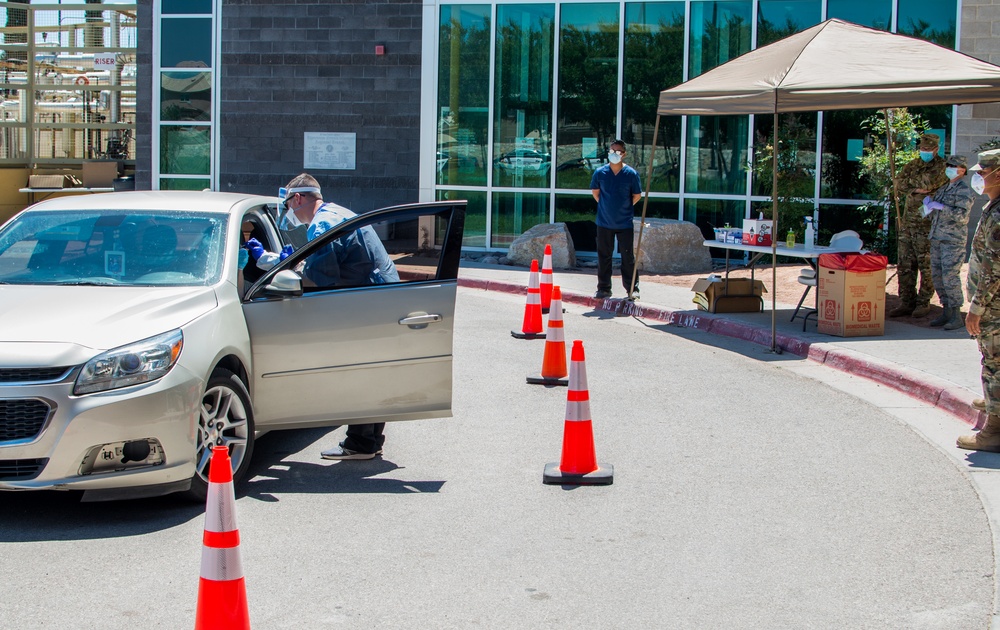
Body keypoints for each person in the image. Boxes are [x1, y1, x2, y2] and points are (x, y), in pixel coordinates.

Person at [280, 173, 400, 460]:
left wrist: (280, 268)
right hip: (382, 301)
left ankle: (359, 443)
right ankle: (368, 441)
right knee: (370, 373)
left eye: (288, 204)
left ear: (297, 198)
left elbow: (320, 277)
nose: (289, 213)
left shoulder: (323, 224)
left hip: (364, 306)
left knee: (357, 373)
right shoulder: (339, 212)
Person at [957, 148, 1000, 452]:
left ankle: (993, 432)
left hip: (994, 306)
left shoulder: (998, 214)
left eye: (983, 173)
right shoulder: (994, 207)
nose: (979, 178)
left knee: (995, 363)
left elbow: (994, 267)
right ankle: (994, 401)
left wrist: (978, 306)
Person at [889, 133, 949, 318]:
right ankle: (906, 301)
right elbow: (898, 182)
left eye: (928, 150)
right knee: (905, 264)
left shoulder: (942, 166)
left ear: (936, 150)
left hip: (926, 224)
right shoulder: (913, 165)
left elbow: (930, 182)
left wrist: (912, 186)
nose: (925, 152)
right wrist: (917, 189)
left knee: (926, 264)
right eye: (922, 149)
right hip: (908, 223)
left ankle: (923, 302)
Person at [927, 154, 977, 330]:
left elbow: (962, 217)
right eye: (947, 165)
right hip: (937, 238)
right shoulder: (943, 189)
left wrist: (942, 207)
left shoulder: (964, 191)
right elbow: (935, 212)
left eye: (952, 166)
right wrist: (928, 206)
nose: (948, 168)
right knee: (938, 276)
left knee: (950, 277)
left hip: (952, 241)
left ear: (962, 170)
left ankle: (956, 315)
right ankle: (946, 311)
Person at [590, 139, 643, 300]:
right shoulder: (600, 173)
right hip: (604, 222)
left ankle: (632, 289)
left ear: (624, 154)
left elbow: (637, 195)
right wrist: (606, 207)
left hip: (624, 222)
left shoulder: (631, 174)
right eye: (612, 151)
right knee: (604, 256)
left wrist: (624, 207)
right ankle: (604, 288)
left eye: (618, 152)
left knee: (628, 257)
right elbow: (596, 192)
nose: (614, 154)